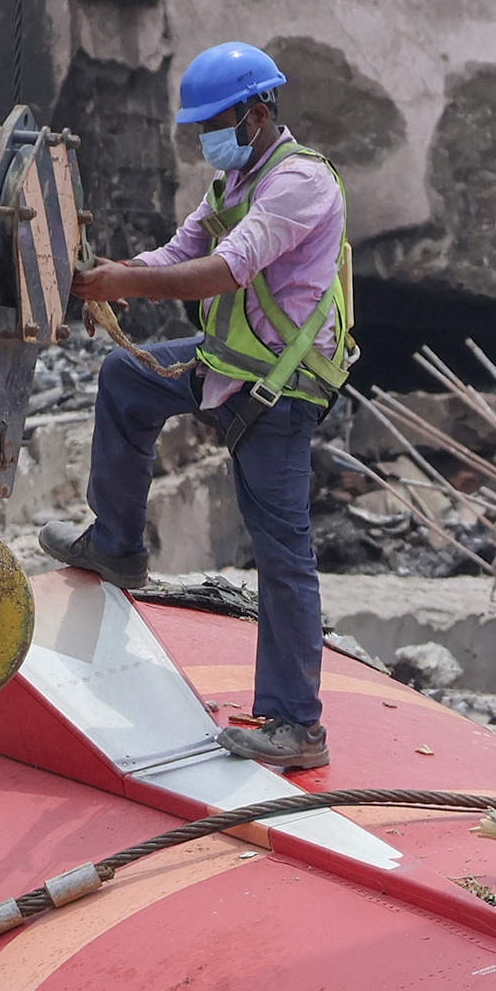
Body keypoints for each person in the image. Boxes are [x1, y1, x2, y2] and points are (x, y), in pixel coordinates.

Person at [41, 41, 355, 771]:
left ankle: (296, 724)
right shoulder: (233, 181)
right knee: (127, 380)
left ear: (255, 113)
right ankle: (117, 547)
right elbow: (176, 251)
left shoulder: (298, 185)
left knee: (282, 554)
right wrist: (106, 278)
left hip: (278, 389)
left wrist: (123, 283)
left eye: (214, 124)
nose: (205, 141)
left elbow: (220, 271)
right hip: (226, 366)